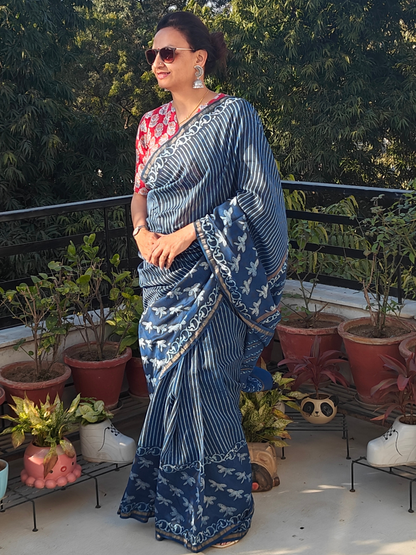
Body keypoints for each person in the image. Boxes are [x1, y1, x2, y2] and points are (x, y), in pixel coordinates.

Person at [118, 11, 288, 552]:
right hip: (160, 275)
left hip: (215, 274)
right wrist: (142, 232)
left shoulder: (235, 116)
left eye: (168, 52)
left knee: (207, 389)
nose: (157, 62)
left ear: (199, 58)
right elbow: (140, 191)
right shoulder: (150, 124)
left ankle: (218, 514)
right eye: (152, 54)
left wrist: (190, 233)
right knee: (168, 388)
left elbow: (257, 196)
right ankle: (170, 505)